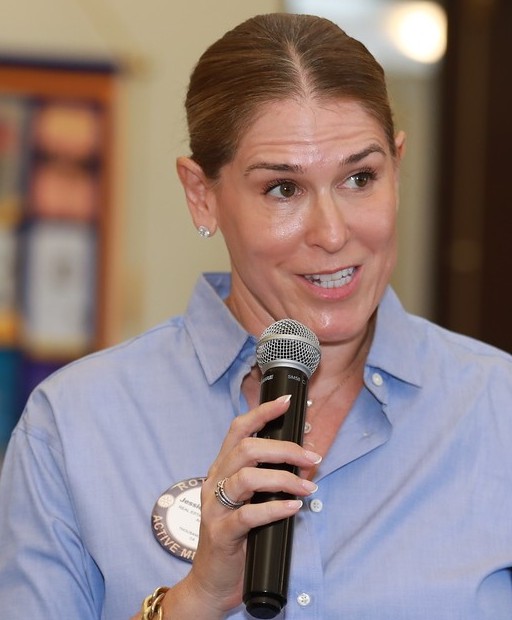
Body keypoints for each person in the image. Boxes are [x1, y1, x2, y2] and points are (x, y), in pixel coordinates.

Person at [1, 11, 512, 620]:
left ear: (397, 170)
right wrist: (195, 599)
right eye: (283, 189)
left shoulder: (496, 409)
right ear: (202, 195)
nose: (332, 233)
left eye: (359, 177)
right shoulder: (77, 425)